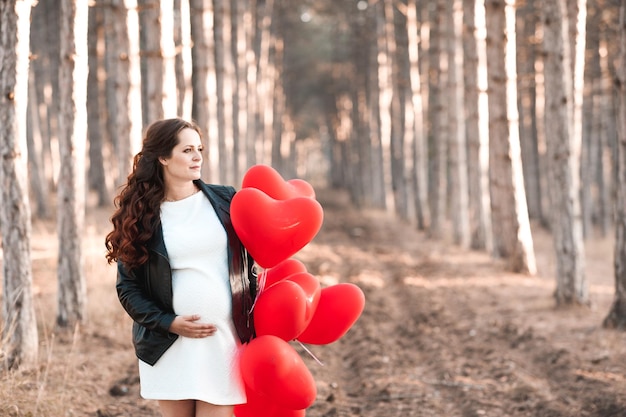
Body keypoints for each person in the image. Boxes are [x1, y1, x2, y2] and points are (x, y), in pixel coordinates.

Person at [105, 118, 256, 417]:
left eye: (199, 148)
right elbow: (128, 288)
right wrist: (169, 322)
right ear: (163, 157)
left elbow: (252, 263)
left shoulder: (226, 199)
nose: (198, 156)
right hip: (170, 343)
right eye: (187, 150)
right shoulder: (142, 216)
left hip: (224, 339)